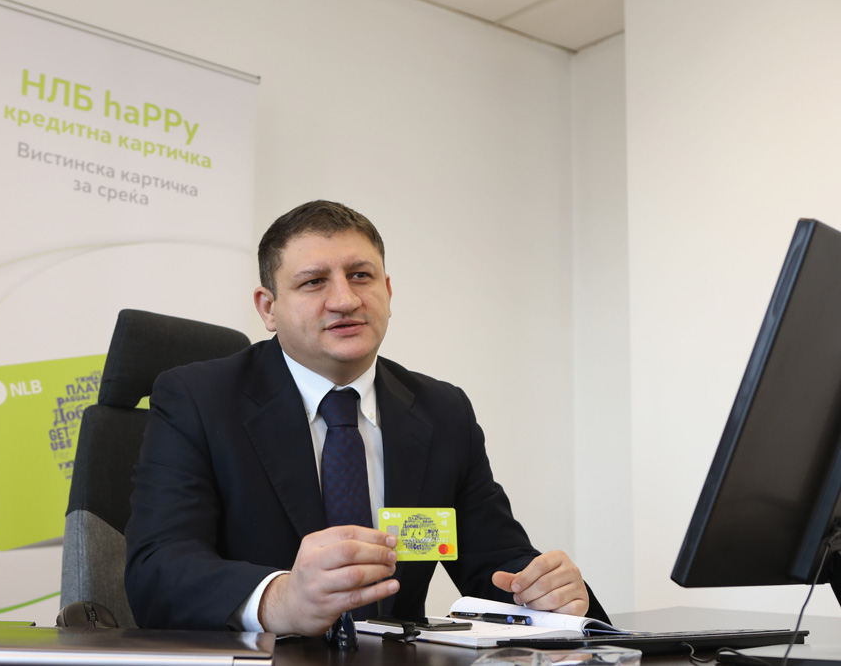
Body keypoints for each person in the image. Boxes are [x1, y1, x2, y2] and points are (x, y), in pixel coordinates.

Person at [124, 200, 609, 636]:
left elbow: (496, 564)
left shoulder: (443, 411)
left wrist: (546, 592)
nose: (345, 300)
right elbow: (157, 569)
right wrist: (281, 599)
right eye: (313, 282)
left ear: (388, 291)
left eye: (360, 275)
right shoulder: (198, 399)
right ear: (268, 308)